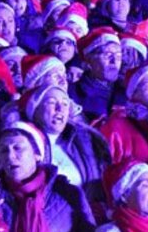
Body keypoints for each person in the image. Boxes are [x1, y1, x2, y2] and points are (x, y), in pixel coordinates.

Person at [22, 84, 111, 222]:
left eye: (65, 103)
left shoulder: (85, 141)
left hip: (90, 221)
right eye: (52, 102)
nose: (60, 108)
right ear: (35, 109)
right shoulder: (23, 145)